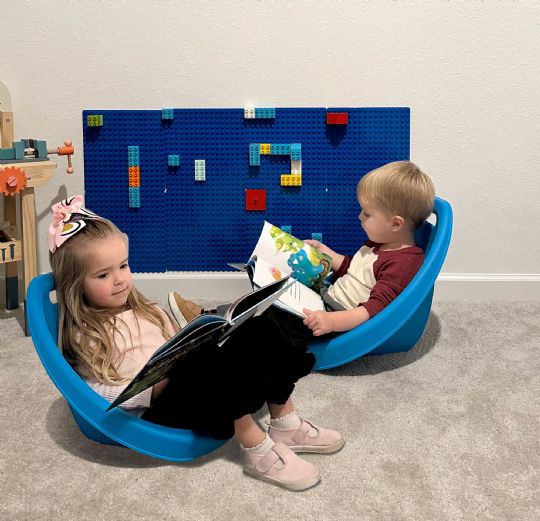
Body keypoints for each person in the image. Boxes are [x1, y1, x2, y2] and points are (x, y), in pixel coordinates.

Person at [48, 195, 344, 491]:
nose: (120, 280)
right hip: (158, 410)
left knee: (260, 327)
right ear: (75, 284)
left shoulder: (142, 308)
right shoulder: (85, 334)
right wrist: (153, 388)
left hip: (188, 382)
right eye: (103, 274)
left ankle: (285, 424)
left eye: (123, 266)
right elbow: (93, 390)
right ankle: (256, 449)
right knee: (202, 362)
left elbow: (173, 342)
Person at [170, 160, 435, 342]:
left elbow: (373, 311)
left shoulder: (403, 263)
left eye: (367, 213)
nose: (359, 217)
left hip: (336, 320)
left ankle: (211, 328)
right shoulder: (381, 244)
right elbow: (354, 269)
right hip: (326, 299)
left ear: (396, 223)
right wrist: (326, 254)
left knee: (270, 318)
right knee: (272, 291)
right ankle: (215, 317)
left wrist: (330, 322)